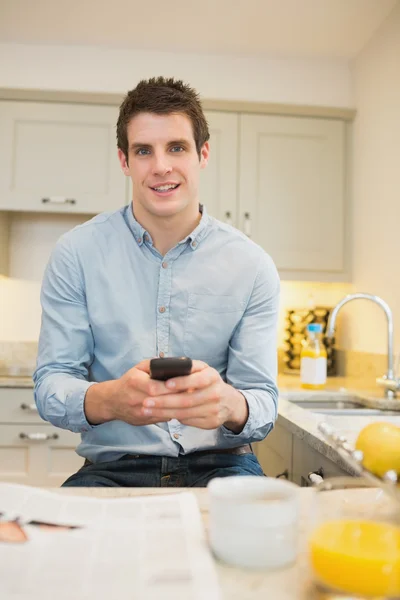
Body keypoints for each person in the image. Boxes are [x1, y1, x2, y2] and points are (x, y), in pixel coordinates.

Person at [33, 76, 280, 488]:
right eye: (144, 150)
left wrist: (229, 404)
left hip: (222, 465)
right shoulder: (75, 254)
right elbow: (51, 382)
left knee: (263, 549)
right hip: (113, 468)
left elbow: (264, 402)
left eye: (177, 147)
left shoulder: (252, 266)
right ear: (124, 161)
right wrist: (108, 399)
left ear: (203, 153)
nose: (161, 166)